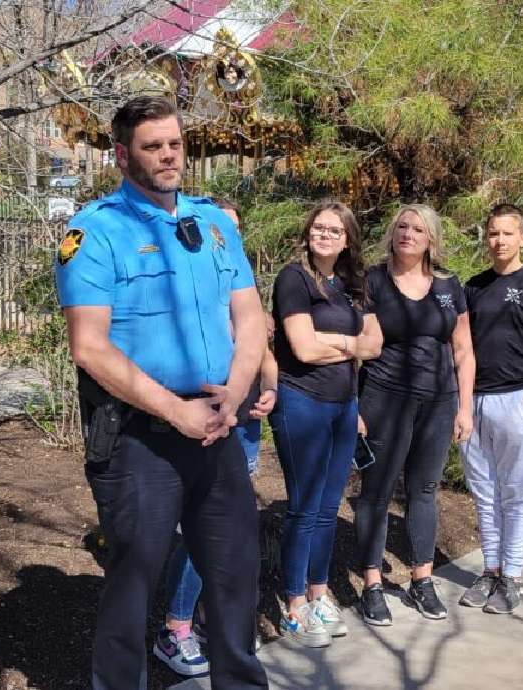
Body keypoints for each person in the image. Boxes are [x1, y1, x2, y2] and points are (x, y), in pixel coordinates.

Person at [54, 95, 268, 690]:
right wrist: (177, 411)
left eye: (174, 142)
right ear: (123, 154)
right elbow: (90, 347)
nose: (169, 154)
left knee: (235, 580)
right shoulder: (95, 232)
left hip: (217, 429)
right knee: (132, 584)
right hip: (139, 439)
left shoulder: (215, 224)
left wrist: (236, 392)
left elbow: (250, 317)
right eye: (153, 146)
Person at [154, 198, 277, 677]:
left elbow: (259, 343)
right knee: (195, 533)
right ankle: (176, 628)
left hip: (243, 422)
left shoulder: (236, 278)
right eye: (219, 226)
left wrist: (270, 387)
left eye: (232, 227)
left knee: (229, 537)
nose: (225, 234)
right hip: (203, 419)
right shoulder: (188, 285)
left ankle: (212, 622)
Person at [353, 204, 475, 625]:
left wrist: (464, 406)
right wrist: (354, 406)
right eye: (402, 226)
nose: (408, 233)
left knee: (424, 490)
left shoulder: (448, 284)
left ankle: (422, 579)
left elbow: (463, 349)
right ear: (392, 233)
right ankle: (371, 583)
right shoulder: (372, 281)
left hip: (439, 401)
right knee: (377, 491)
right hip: (385, 397)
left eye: (418, 229)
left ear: (430, 239)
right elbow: (356, 346)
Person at [268, 200, 383, 647]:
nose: (325, 235)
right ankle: (294, 604)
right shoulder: (294, 279)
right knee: (302, 505)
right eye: (318, 228)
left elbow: (375, 344)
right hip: (302, 402)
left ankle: (319, 593)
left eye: (335, 230)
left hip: (343, 405)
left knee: (328, 506)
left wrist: (335, 342)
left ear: (348, 238)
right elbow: (302, 348)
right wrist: (349, 343)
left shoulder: (355, 283)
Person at [457, 203, 523, 614]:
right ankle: (491, 568)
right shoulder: (473, 287)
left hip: (516, 399)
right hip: (473, 402)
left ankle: (513, 576)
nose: (499, 241)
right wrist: (462, 404)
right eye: (493, 233)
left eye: (507, 233)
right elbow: (461, 348)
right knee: (483, 492)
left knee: (515, 493)